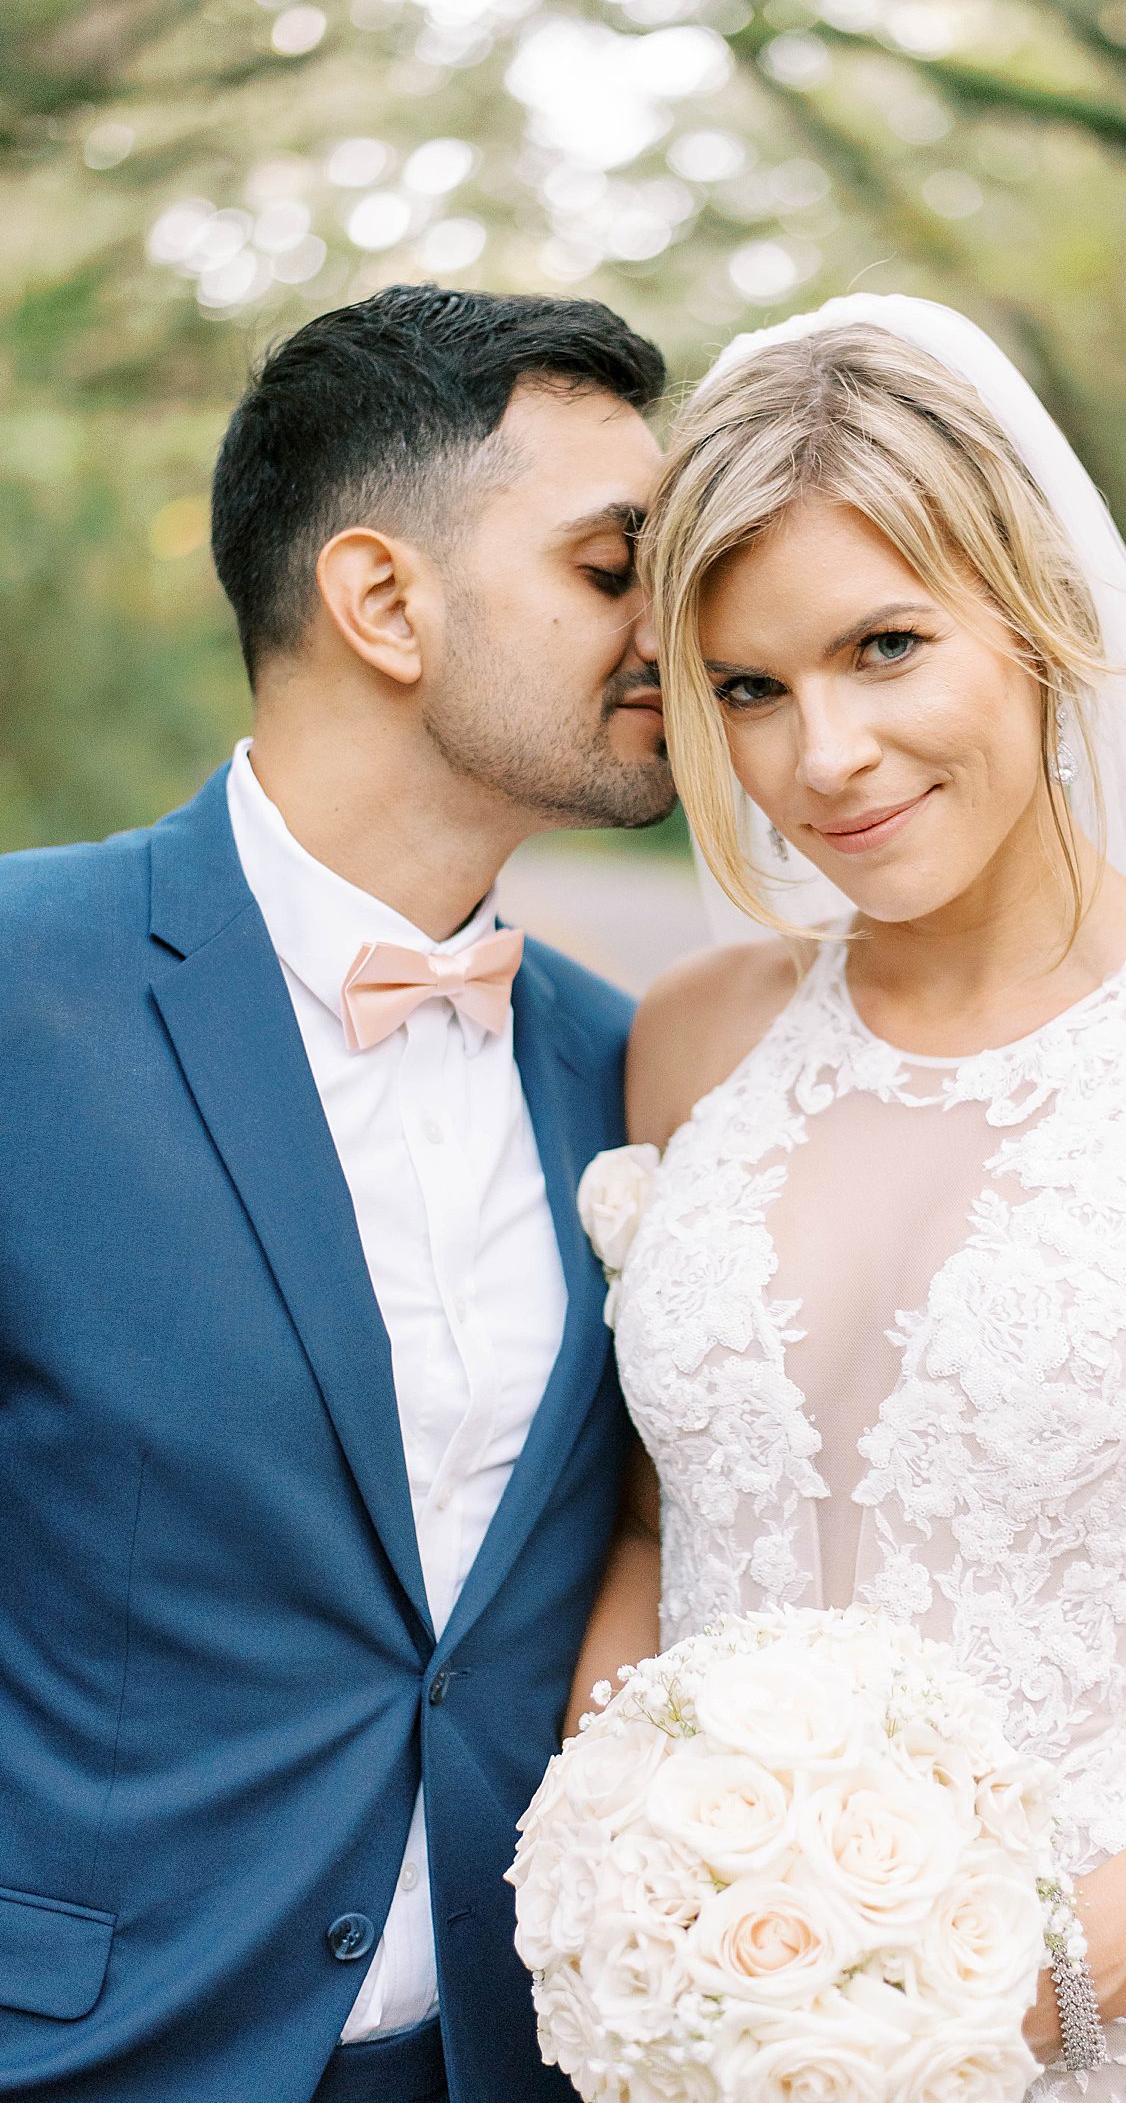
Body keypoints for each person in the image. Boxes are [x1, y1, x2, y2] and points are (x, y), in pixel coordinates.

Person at [573, 297, 1126, 2100]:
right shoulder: (688, 1045)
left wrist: (1073, 1962)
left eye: (887, 645)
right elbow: (648, 1535)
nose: (821, 755)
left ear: (1040, 617)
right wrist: (619, 1863)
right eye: (751, 687)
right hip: (722, 2010)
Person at [0, 284, 673, 2103]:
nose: (672, 630)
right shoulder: (16, 985)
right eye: (616, 566)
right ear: (384, 600)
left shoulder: (628, 1064)